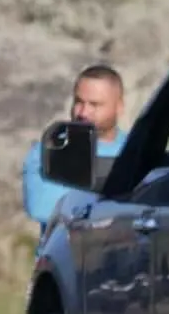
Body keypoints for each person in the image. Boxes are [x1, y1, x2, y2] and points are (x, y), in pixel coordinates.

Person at [23, 63, 126, 230]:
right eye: (79, 102)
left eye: (95, 104)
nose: (83, 112)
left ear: (119, 107)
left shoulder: (136, 150)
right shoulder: (49, 150)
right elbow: (43, 208)